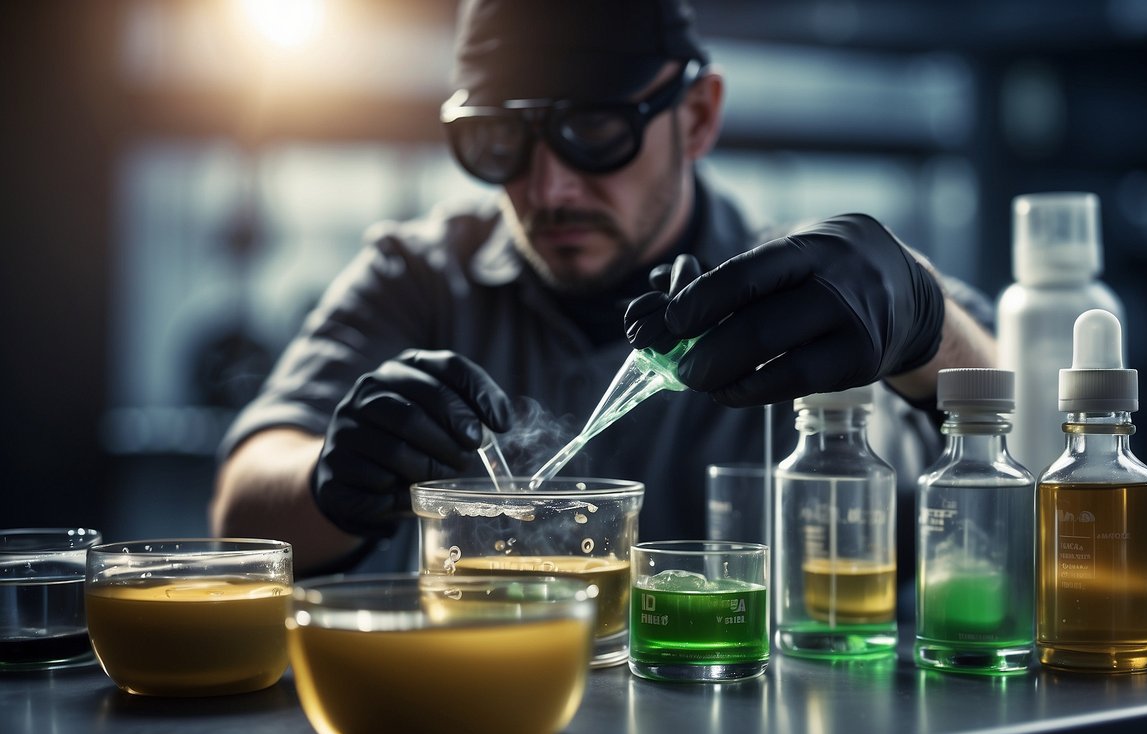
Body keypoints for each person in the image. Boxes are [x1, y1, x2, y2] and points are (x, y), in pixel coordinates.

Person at [209, 0, 997, 593]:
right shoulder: (418, 278)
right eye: (499, 141)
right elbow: (242, 506)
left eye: (595, 133)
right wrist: (333, 476)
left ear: (695, 116)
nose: (548, 188)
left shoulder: (812, 290)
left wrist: (927, 324)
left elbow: (1029, 453)